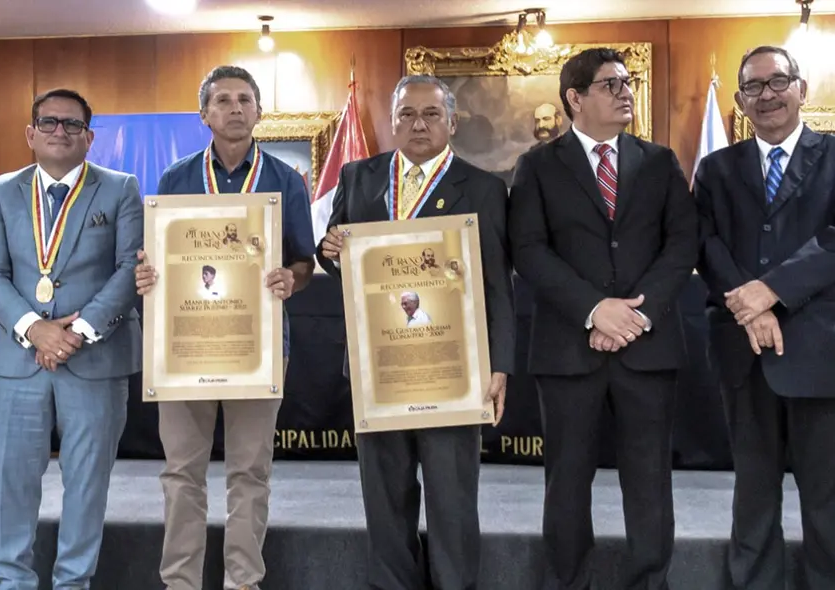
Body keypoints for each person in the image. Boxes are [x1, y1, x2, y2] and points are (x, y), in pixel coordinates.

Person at [507, 47, 699, 590]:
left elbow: (681, 243)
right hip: (569, 349)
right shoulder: (538, 165)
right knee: (566, 480)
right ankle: (569, 582)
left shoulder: (658, 161)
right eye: (611, 84)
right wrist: (595, 310)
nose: (625, 92)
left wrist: (633, 318)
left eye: (627, 82)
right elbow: (530, 250)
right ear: (575, 98)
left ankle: (649, 581)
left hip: (648, 346)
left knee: (649, 481)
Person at [317, 74, 515, 590]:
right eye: (406, 114)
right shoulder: (359, 177)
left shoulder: (486, 188)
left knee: (452, 501)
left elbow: (498, 286)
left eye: (430, 114)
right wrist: (328, 250)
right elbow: (338, 256)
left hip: (453, 370)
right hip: (378, 366)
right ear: (392, 121)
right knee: (385, 502)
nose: (418, 124)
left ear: (451, 121)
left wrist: (500, 365)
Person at [133, 65, 315, 590]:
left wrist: (291, 278)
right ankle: (181, 581)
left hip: (255, 346)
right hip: (185, 344)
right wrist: (148, 274)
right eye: (223, 100)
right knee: (181, 473)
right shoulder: (176, 179)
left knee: (249, 473)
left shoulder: (285, 181)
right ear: (204, 114)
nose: (235, 108)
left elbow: (303, 263)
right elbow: (159, 257)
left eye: (245, 100)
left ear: (259, 111)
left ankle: (243, 581)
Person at [0, 88, 144, 589]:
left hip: (96, 358)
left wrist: (80, 331)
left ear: (89, 137)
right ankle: (12, 582)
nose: (59, 132)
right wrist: (35, 329)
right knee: (12, 486)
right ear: (30, 134)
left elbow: (129, 268)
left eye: (72, 125)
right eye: (48, 123)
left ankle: (73, 583)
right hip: (21, 359)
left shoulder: (119, 188)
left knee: (87, 486)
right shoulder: (3, 191)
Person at [694, 45, 835, 590]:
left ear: (803, 89)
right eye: (754, 87)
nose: (768, 94)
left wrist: (772, 291)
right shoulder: (715, 168)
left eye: (779, 81)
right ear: (740, 102)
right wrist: (749, 307)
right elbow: (704, 244)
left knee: (826, 498)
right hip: (742, 352)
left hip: (819, 354)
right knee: (753, 495)